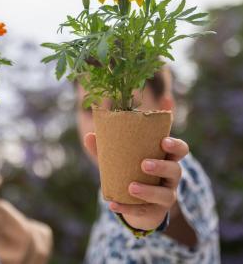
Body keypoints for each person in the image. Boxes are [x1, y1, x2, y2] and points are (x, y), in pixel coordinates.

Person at [77, 67, 221, 263]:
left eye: (124, 105)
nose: (101, 123)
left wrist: (158, 219)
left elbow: (174, 197)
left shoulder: (179, 170)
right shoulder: (109, 187)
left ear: (164, 111)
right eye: (88, 108)